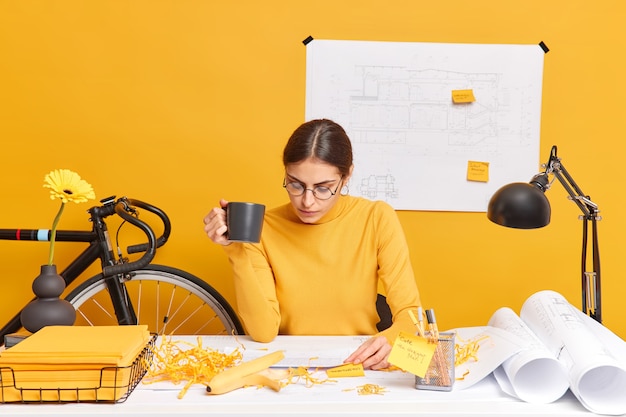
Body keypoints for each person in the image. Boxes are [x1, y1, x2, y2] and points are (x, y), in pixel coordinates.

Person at [203, 118, 422, 370]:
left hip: (360, 365)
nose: (307, 201)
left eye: (323, 188)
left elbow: (410, 314)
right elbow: (263, 332)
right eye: (295, 184)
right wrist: (236, 250)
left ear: (347, 175)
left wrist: (391, 341)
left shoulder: (376, 217)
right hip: (290, 367)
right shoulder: (263, 227)